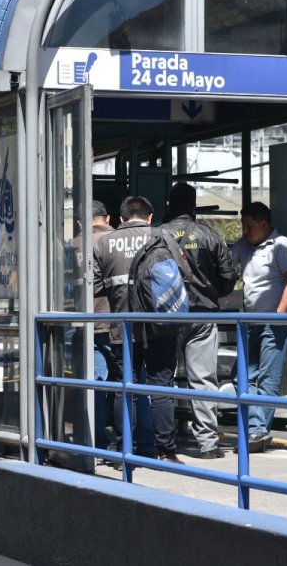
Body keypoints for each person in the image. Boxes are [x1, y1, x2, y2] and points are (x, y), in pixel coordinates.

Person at [93, 195, 183, 463]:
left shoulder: (104, 243)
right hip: (161, 327)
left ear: (120, 218)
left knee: (126, 388)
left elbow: (96, 288)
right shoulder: (163, 236)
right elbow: (182, 274)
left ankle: (124, 450)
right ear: (150, 216)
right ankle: (165, 450)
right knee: (161, 388)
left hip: (123, 327)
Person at [163, 182, 239, 459]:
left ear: (169, 205)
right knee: (204, 380)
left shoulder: (158, 234)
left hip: (166, 316)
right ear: (194, 206)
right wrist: (211, 294)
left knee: (162, 378)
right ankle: (207, 444)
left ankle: (165, 443)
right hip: (204, 315)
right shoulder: (210, 235)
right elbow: (229, 278)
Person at [230, 201, 287, 453]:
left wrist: (279, 316)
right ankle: (257, 429)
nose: (245, 232)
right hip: (252, 323)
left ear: (264, 224)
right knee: (240, 376)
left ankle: (257, 431)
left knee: (267, 380)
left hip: (275, 324)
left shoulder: (281, 245)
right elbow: (225, 261)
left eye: (249, 226)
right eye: (243, 226)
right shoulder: (245, 246)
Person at [78, 200, 120, 453]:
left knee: (96, 384)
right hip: (122, 322)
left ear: (82, 222)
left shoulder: (73, 244)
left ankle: (98, 443)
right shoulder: (119, 239)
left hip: (89, 323)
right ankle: (128, 440)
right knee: (128, 382)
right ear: (108, 218)